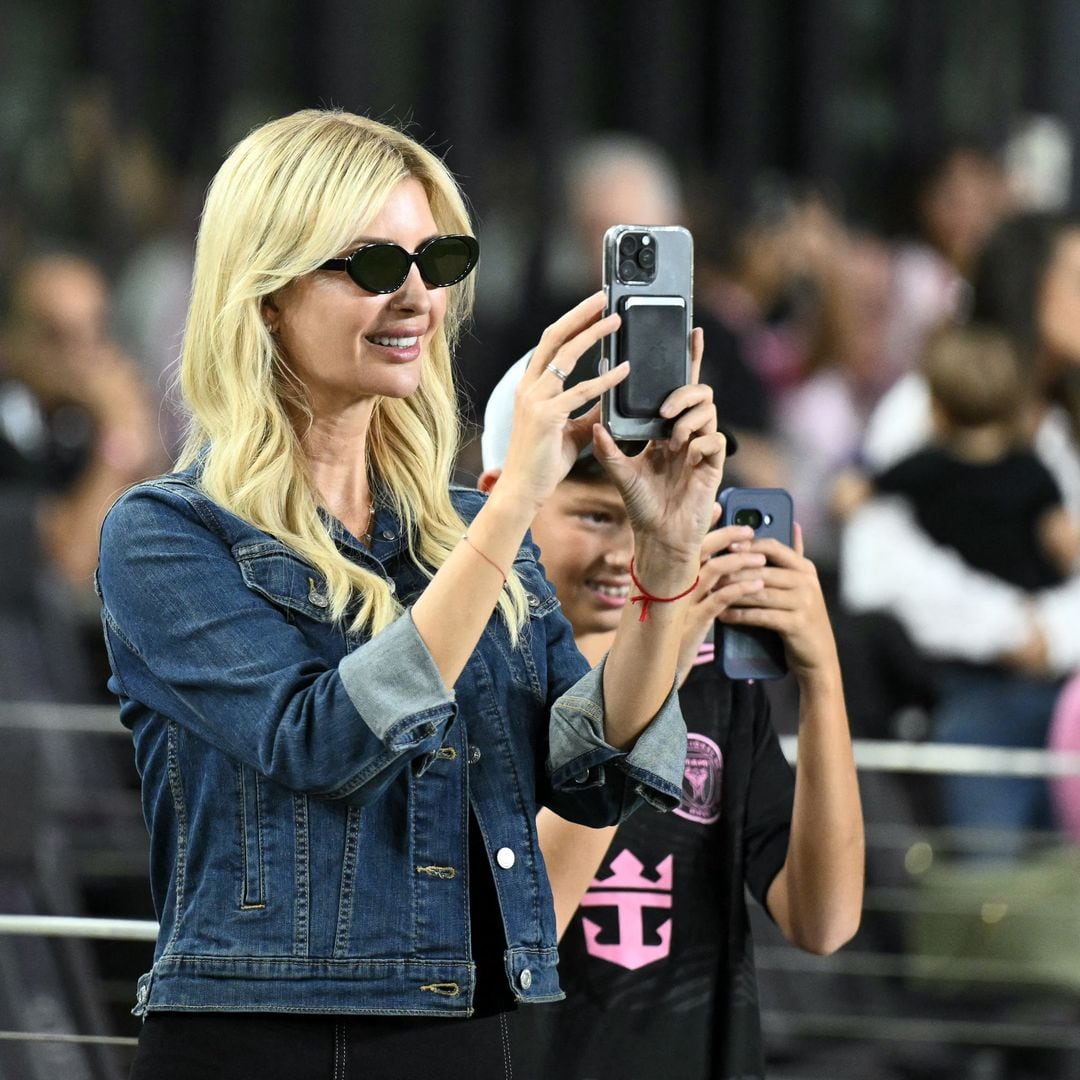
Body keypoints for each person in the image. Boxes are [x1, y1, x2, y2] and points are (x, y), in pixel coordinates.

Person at [95, 109, 729, 1079]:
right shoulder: (167, 534)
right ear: (266, 295)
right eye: (372, 266)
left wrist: (669, 564)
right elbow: (324, 742)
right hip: (264, 1036)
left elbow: (591, 774)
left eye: (435, 260)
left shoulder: (465, 529)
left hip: (467, 1022)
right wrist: (516, 498)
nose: (417, 298)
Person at [478, 358, 864, 1079]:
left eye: (659, 514)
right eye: (595, 515)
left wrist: (822, 678)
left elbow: (824, 921)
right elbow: (520, 930)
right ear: (505, 502)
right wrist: (658, 662)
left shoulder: (718, 687)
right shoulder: (480, 676)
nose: (634, 552)